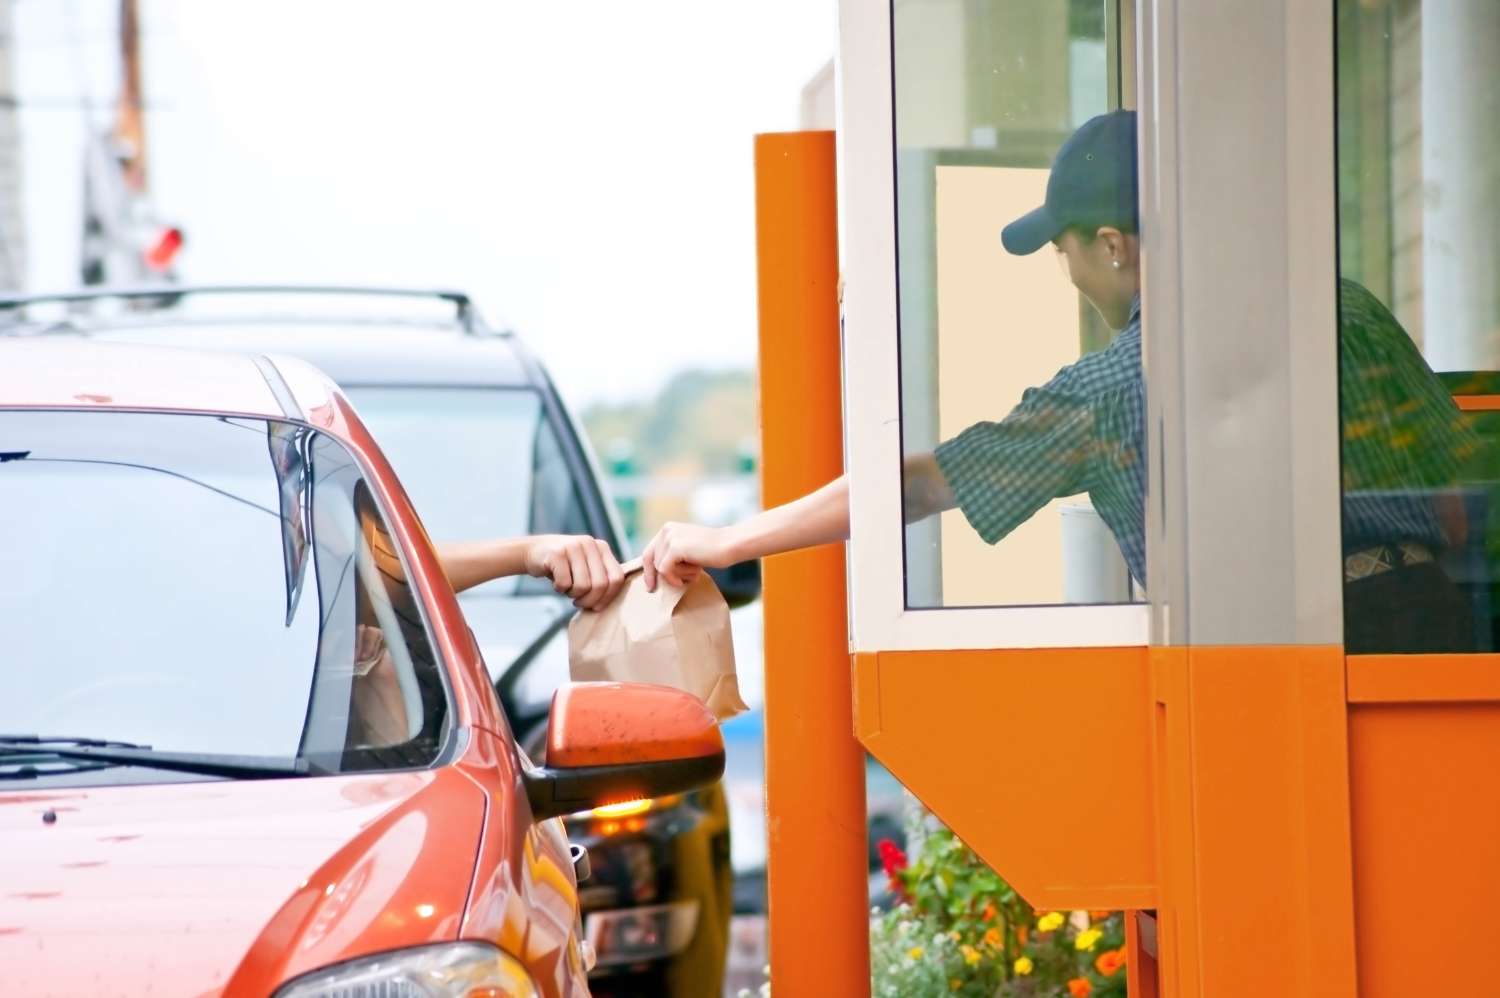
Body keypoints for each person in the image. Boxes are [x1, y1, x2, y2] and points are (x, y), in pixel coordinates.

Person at [640, 108, 1489, 654]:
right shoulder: (1348, 309)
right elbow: (1455, 500)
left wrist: (727, 541)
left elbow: (925, 486)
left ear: (1114, 244)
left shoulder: (1117, 385)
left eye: (1065, 250)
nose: (1071, 274)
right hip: (1440, 638)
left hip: (1266, 663)